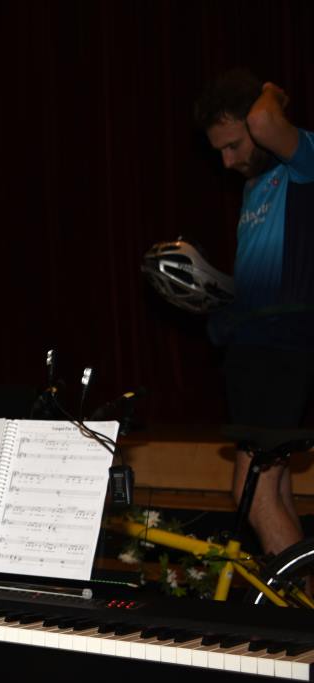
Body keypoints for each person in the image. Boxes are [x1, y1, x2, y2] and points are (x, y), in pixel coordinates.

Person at [195, 69, 314, 555]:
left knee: (252, 493)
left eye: (233, 145)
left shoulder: (302, 160)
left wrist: (267, 92)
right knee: (275, 488)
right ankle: (296, 593)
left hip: (282, 348)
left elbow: (265, 120)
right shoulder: (254, 185)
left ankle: (290, 603)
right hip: (255, 350)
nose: (227, 161)